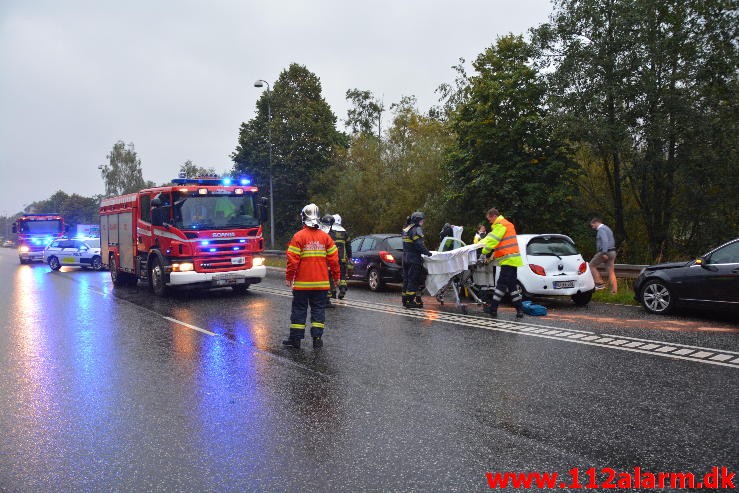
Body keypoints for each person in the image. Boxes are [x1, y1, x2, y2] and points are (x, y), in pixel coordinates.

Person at [283, 204, 340, 349]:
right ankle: (317, 339)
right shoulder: (325, 237)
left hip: (302, 284)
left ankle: (295, 340)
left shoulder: (298, 236)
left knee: (299, 310)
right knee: (318, 310)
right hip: (321, 284)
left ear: (303, 218)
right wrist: (337, 277)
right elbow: (334, 260)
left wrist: (289, 277)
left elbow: (292, 260)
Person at [479, 207, 524, 318]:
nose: (489, 221)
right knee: (512, 287)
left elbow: (493, 240)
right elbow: (489, 238)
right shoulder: (506, 225)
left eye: (489, 219)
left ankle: (493, 309)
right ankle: (519, 310)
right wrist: (480, 243)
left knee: (501, 285)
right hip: (513, 261)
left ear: (494, 216)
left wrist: (484, 251)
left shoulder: (501, 225)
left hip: (508, 260)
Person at [402, 211, 431, 308]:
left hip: (405, 257)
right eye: (422, 220)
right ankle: (410, 301)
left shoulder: (406, 228)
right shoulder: (416, 229)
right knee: (413, 279)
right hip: (413, 258)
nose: (423, 222)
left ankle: (404, 299)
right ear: (418, 220)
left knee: (406, 279)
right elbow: (419, 244)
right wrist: (427, 252)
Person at [589, 217, 618, 294]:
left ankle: (599, 283)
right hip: (612, 252)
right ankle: (614, 291)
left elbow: (605, 241)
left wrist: (604, 253)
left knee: (591, 265)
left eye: (592, 225)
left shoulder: (601, 229)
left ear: (596, 222)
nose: (592, 227)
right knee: (611, 272)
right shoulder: (608, 228)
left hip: (605, 252)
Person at [331, 214, 351, 299]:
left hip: (332, 257)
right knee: (342, 275)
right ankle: (342, 289)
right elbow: (348, 246)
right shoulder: (345, 232)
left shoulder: (330, 231)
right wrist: (350, 257)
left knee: (331, 274)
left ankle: (332, 291)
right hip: (342, 258)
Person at [319, 214, 337, 307]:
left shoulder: (322, 233)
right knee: (326, 280)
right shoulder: (329, 234)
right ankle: (324, 300)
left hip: (325, 261)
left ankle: (326, 299)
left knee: (328, 279)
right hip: (324, 261)